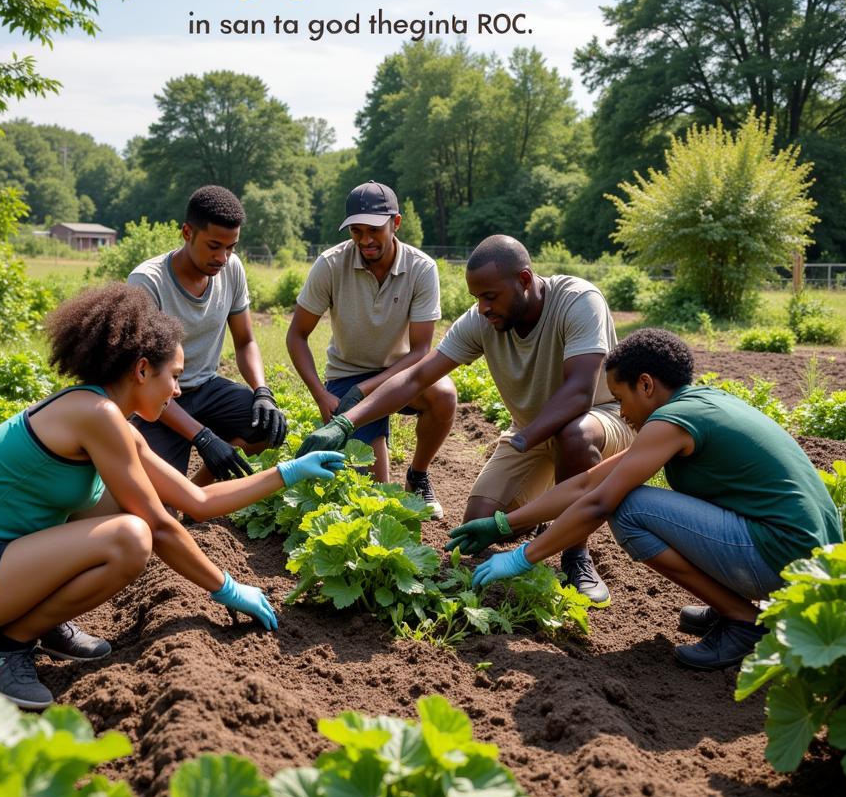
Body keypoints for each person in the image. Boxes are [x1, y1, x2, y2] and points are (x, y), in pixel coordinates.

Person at [0, 284, 345, 709]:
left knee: (124, 505)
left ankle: (38, 622)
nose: (177, 391)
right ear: (141, 370)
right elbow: (158, 526)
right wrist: (225, 588)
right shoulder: (95, 416)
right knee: (132, 536)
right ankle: (3, 646)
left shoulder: (107, 416)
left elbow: (197, 500)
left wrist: (285, 473)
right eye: (174, 376)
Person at [454, 328, 844, 670]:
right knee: (626, 497)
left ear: (645, 384)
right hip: (807, 555)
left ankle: (742, 620)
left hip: (783, 557)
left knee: (629, 507)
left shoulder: (671, 422)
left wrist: (523, 556)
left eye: (620, 398)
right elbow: (586, 484)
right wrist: (504, 523)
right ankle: (733, 604)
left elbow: (598, 503)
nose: (621, 413)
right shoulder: (697, 405)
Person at [297, 234, 633, 603]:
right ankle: (548, 510)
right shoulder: (482, 321)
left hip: (599, 420)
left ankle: (576, 555)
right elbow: (415, 377)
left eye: (491, 296)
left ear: (523, 280)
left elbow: (580, 392)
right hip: (532, 432)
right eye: (477, 298)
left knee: (574, 435)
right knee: (480, 522)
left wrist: (524, 440)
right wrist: (346, 422)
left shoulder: (578, 300)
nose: (483, 308)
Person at [286, 181, 456, 517]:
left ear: (396, 223)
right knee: (374, 498)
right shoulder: (331, 265)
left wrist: (364, 391)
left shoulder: (421, 268)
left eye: (374, 230)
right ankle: (376, 454)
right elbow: (296, 336)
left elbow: (421, 351)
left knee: (444, 394)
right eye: (357, 231)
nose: (365, 240)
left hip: (401, 374)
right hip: (346, 376)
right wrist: (322, 395)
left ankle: (418, 475)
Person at [128, 185, 287, 484]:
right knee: (158, 508)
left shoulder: (232, 269)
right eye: (214, 246)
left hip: (207, 389)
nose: (223, 258)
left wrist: (262, 392)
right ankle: (181, 497)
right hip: (157, 401)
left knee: (267, 426)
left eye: (231, 247)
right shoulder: (147, 282)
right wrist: (202, 437)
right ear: (187, 232)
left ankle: (196, 491)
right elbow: (144, 381)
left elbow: (246, 341)